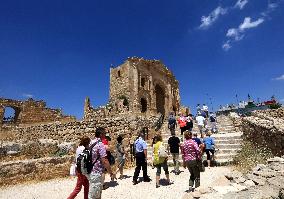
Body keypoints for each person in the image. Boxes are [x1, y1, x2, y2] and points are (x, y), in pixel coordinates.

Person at [87, 127, 115, 199]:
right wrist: (111, 173)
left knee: (95, 194)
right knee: (94, 196)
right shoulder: (100, 145)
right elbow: (105, 161)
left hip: (90, 171)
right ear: (101, 134)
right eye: (104, 134)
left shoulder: (91, 142)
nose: (105, 135)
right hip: (97, 173)